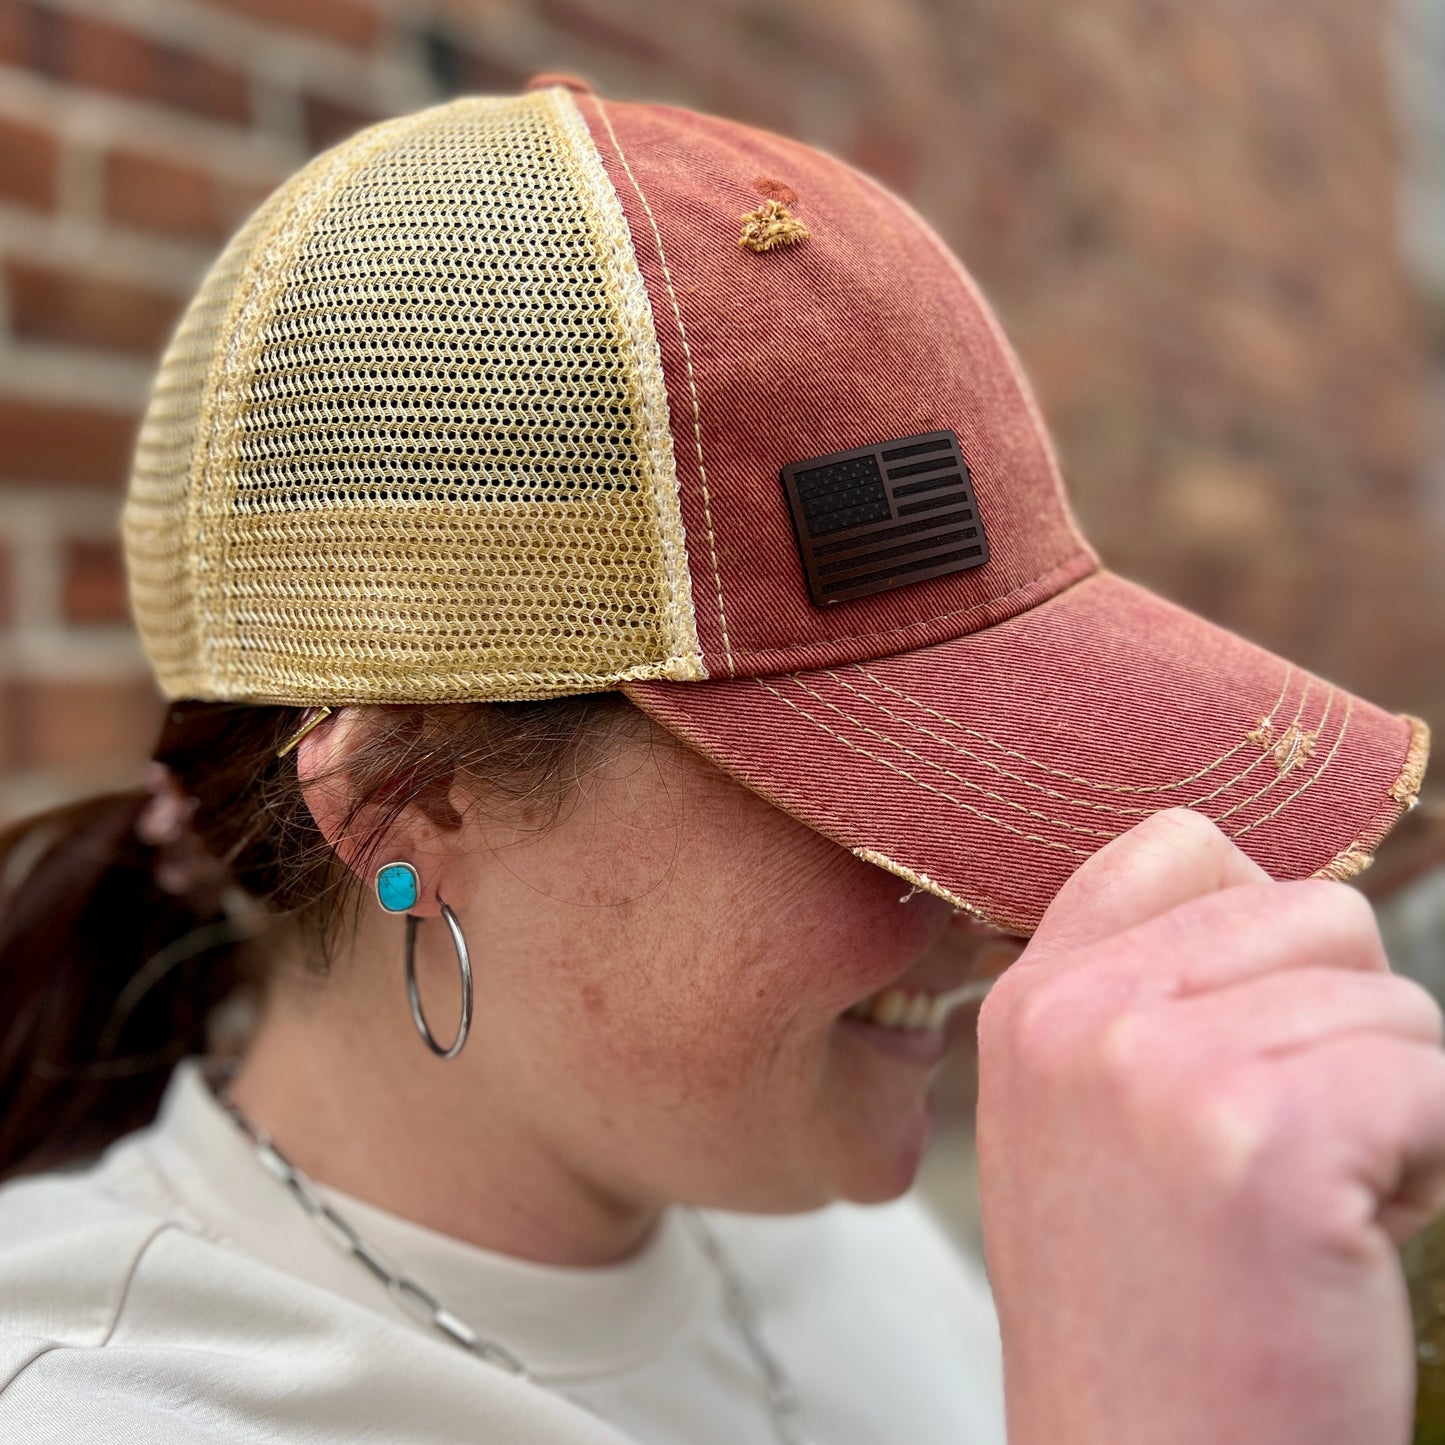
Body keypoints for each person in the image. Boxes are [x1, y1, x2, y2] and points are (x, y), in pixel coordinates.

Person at [0, 73, 1435, 1445]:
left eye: (1004, 750)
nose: (1004, 909)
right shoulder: (106, 1403)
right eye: (870, 788)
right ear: (411, 803)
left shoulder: (811, 1238)